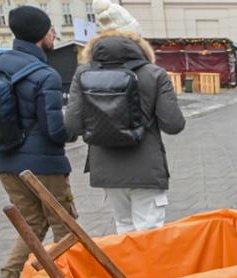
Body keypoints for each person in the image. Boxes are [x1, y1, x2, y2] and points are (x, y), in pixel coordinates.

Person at [0, 6, 76, 278]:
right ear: (40, 35)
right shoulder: (45, 75)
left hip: (4, 162)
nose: (54, 35)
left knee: (31, 224)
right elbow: (54, 130)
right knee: (64, 226)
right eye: (51, 30)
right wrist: (73, 129)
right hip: (43, 166)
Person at [65, 2, 186, 235]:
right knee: (149, 234)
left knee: (124, 231)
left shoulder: (84, 72)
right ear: (137, 40)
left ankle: (127, 273)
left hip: (107, 169)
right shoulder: (153, 73)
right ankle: (149, 273)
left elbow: (71, 125)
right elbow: (174, 125)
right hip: (146, 168)